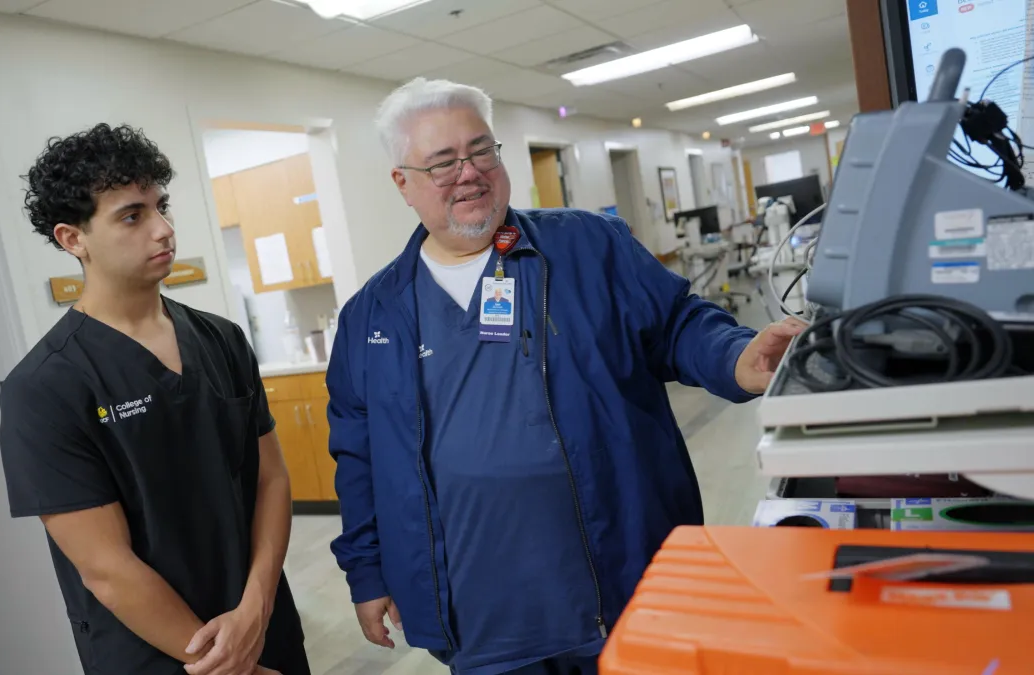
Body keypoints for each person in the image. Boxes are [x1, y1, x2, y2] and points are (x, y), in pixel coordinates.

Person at [325, 79, 805, 675]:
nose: (468, 172)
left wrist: (737, 357)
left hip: (629, 584)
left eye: (481, 151)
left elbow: (678, 324)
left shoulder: (587, 247)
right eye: (443, 162)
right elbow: (359, 457)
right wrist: (367, 573)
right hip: (485, 620)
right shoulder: (372, 315)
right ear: (403, 182)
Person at [0, 123, 310, 675]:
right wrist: (227, 662)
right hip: (161, 654)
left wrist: (257, 610)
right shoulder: (45, 387)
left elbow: (270, 478)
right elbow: (106, 568)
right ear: (73, 239)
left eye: (161, 207)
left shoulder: (221, 339)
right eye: (132, 216)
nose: (164, 230)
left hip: (260, 626)